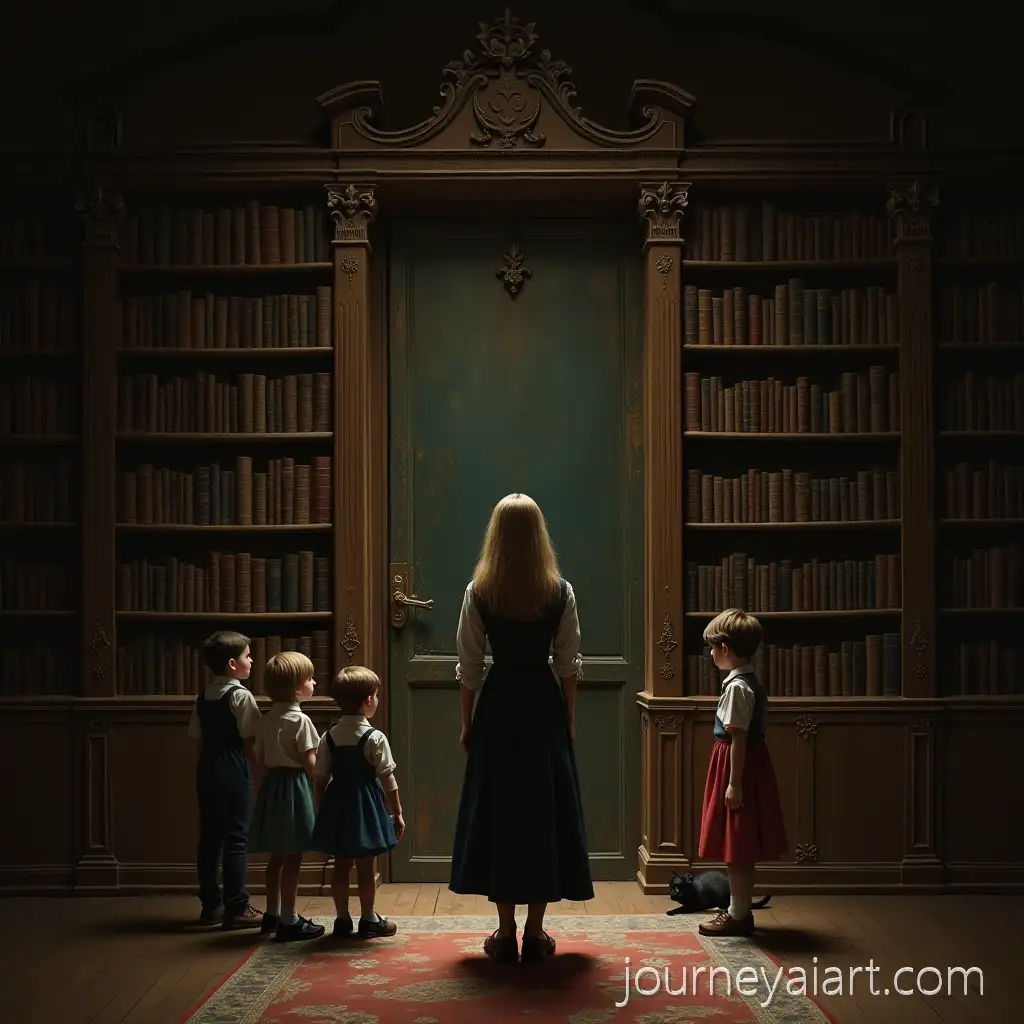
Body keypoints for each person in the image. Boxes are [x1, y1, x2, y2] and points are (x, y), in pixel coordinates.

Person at [450, 492, 593, 963]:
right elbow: (569, 663)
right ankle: (535, 933)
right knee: (542, 816)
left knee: (501, 815)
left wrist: (467, 724)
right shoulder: (559, 591)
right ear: (539, 536)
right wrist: (567, 718)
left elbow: (469, 667)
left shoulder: (480, 591)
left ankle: (504, 930)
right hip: (542, 710)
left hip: (499, 710)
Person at [697, 608, 788, 936]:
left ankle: (738, 915)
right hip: (747, 766)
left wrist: (733, 784)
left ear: (726, 649)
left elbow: (738, 738)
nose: (710, 653)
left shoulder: (737, 688)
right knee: (740, 847)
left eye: (713, 647)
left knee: (736, 849)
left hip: (737, 768)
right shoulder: (745, 682)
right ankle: (740, 909)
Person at [311, 666, 405, 939]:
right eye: (375, 695)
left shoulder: (328, 737)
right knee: (366, 866)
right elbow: (388, 780)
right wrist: (397, 812)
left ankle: (342, 919)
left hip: (338, 805)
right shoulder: (375, 738)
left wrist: (321, 809)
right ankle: (368, 918)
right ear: (368, 700)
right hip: (366, 806)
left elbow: (320, 778)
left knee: (341, 865)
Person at [188, 630, 264, 929]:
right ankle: (237, 906)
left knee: (209, 837)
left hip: (207, 766)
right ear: (233, 664)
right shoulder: (241, 696)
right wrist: (257, 769)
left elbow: (197, 738)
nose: (252, 660)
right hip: (233, 766)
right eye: (247, 656)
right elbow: (251, 737)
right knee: (236, 837)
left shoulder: (203, 697)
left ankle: (210, 906)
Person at [248, 650, 326, 941]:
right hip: (295, 788)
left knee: (277, 856)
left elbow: (258, 760)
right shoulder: (301, 721)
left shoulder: (265, 720)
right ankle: (289, 920)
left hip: (273, 787)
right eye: (310, 679)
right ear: (296, 689)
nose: (315, 683)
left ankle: (271, 913)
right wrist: (326, 785)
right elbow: (311, 763)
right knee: (294, 856)